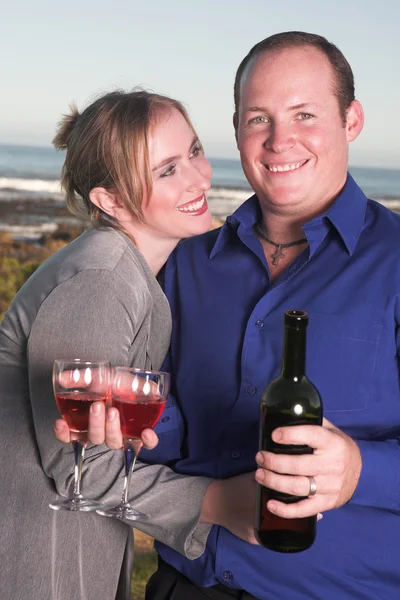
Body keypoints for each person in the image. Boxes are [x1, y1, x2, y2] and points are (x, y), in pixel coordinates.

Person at [137, 31, 400, 600]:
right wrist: (135, 427)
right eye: (258, 119)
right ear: (236, 130)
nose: (280, 141)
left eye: (304, 114)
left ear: (351, 119)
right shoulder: (184, 261)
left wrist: (360, 470)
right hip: (183, 584)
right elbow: (165, 413)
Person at [0, 89, 213, 600]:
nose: (199, 178)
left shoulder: (127, 269)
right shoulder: (101, 278)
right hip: (37, 552)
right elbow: (79, 469)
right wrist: (217, 502)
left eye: (195, 152)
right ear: (110, 201)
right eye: (167, 171)